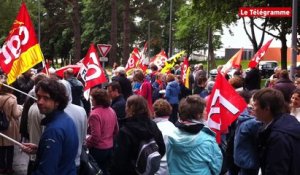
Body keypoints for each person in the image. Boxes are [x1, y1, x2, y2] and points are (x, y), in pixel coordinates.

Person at [21, 78, 79, 175]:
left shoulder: (53, 130)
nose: (40, 102)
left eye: (46, 98)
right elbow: (62, 153)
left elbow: (46, 171)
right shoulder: (66, 119)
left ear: (57, 102)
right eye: (38, 97)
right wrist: (40, 149)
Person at [167, 95, 223, 174]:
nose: (206, 112)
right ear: (198, 115)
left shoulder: (171, 135)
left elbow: (169, 162)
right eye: (204, 110)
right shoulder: (208, 141)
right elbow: (216, 169)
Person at [110, 95, 165, 175]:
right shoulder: (153, 125)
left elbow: (119, 161)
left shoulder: (125, 130)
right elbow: (162, 149)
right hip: (147, 171)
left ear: (130, 109)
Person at [253, 88, 300, 175]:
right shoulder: (288, 120)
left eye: (255, 105)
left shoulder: (279, 137)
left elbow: (276, 170)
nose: (253, 109)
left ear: (267, 109)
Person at [86, 88, 119, 175]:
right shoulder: (111, 110)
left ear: (97, 100)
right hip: (109, 147)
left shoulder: (95, 114)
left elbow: (96, 136)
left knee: (96, 171)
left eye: (92, 98)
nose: (91, 100)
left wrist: (87, 143)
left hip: (98, 149)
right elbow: (116, 130)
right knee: (105, 170)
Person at [60, 80, 87, 171]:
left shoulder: (54, 112)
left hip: (59, 162)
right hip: (76, 159)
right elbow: (84, 136)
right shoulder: (81, 110)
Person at [0, 77, 22, 174]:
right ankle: (9, 167)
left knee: (1, 147)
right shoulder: (13, 99)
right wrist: (21, 109)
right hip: (10, 126)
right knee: (10, 148)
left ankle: (1, 167)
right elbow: (16, 114)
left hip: (0, 125)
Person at [152, 99, 176, 175]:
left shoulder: (154, 129)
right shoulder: (174, 128)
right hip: (172, 168)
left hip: (157, 169)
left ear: (155, 113)